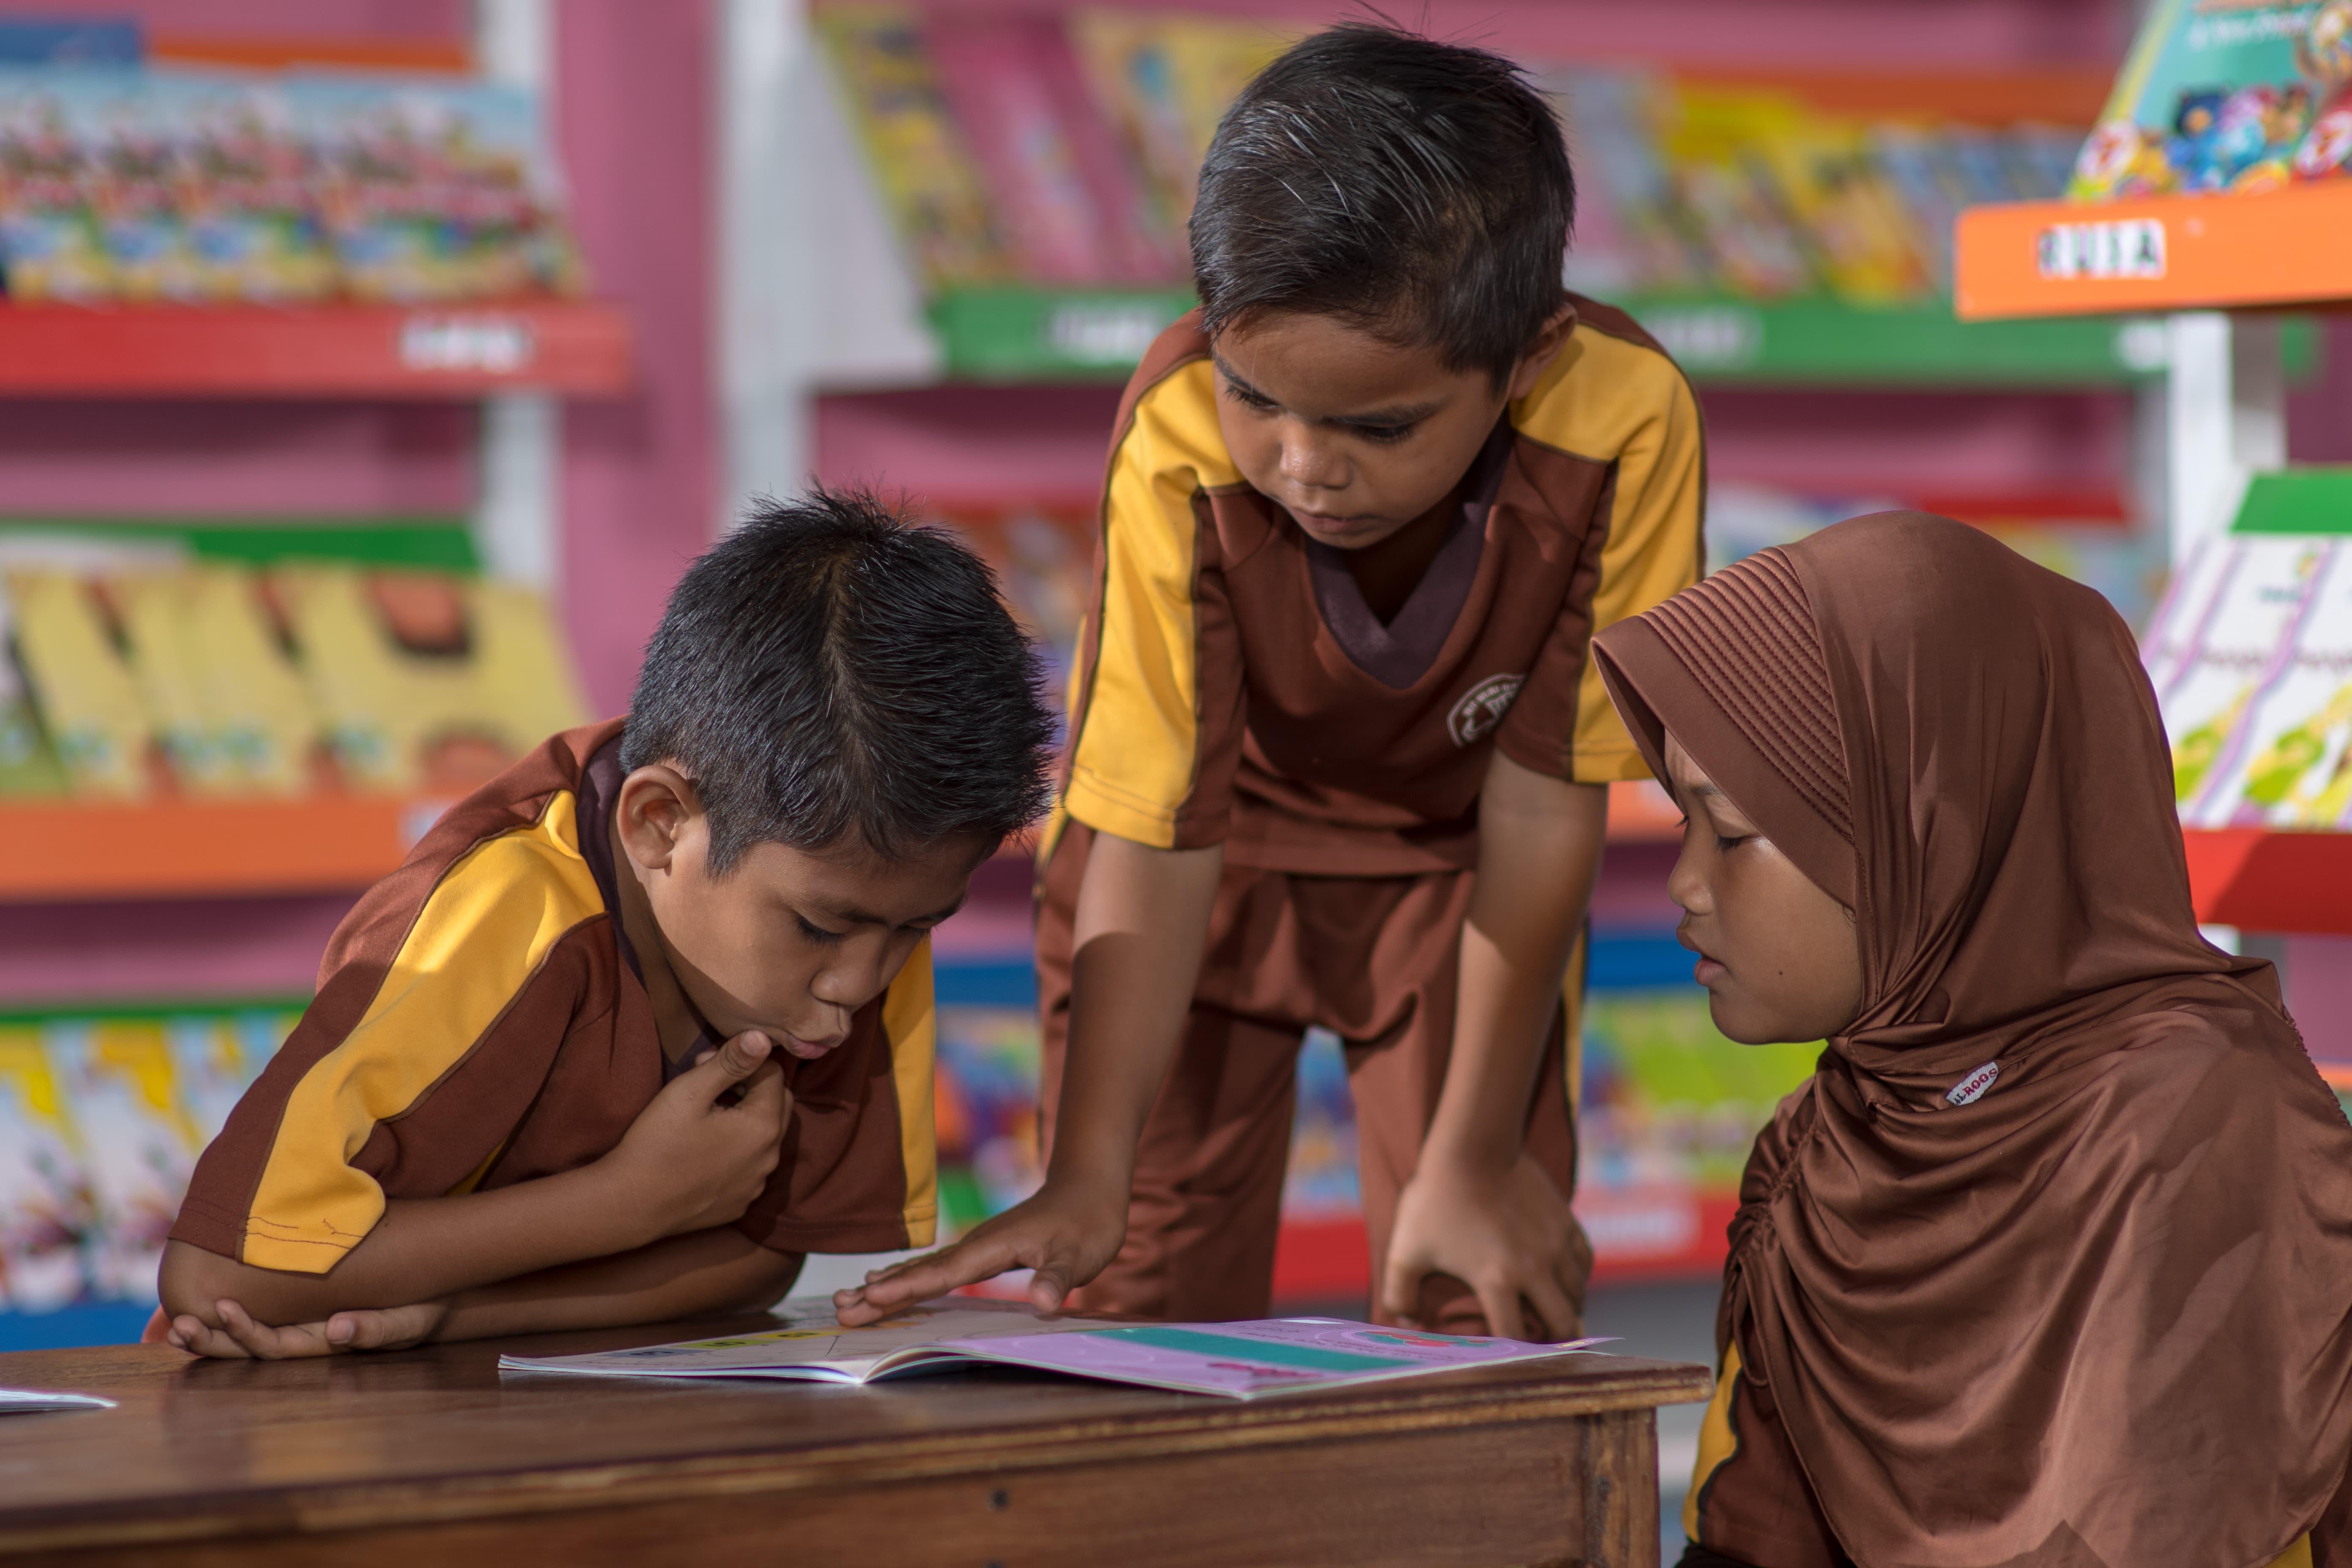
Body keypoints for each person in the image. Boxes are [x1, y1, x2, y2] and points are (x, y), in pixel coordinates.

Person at [840, 22, 1704, 1341]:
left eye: (1377, 426)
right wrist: (1085, 1172)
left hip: (1459, 883)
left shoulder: (1622, 417)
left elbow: (1545, 801)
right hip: (1193, 880)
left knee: (1477, 1291)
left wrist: (1470, 1156)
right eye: (1261, 399)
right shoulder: (1178, 431)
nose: (1303, 466)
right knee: (1138, 1312)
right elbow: (1153, 829)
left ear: (1525, 363)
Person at [1589, 512, 2352, 1568]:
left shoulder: (2200, 1132)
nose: (1685, 885)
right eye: (1682, 824)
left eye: (1733, 831)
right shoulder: (1828, 1139)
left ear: (1927, 820)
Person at [152, 491, 1055, 1358]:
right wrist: (624, 1205)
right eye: (821, 930)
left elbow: (760, 1258)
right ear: (660, 822)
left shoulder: (859, 912)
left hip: (518, 1398)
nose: (860, 983)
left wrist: (448, 1315)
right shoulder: (502, 910)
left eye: (916, 928)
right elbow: (223, 1273)